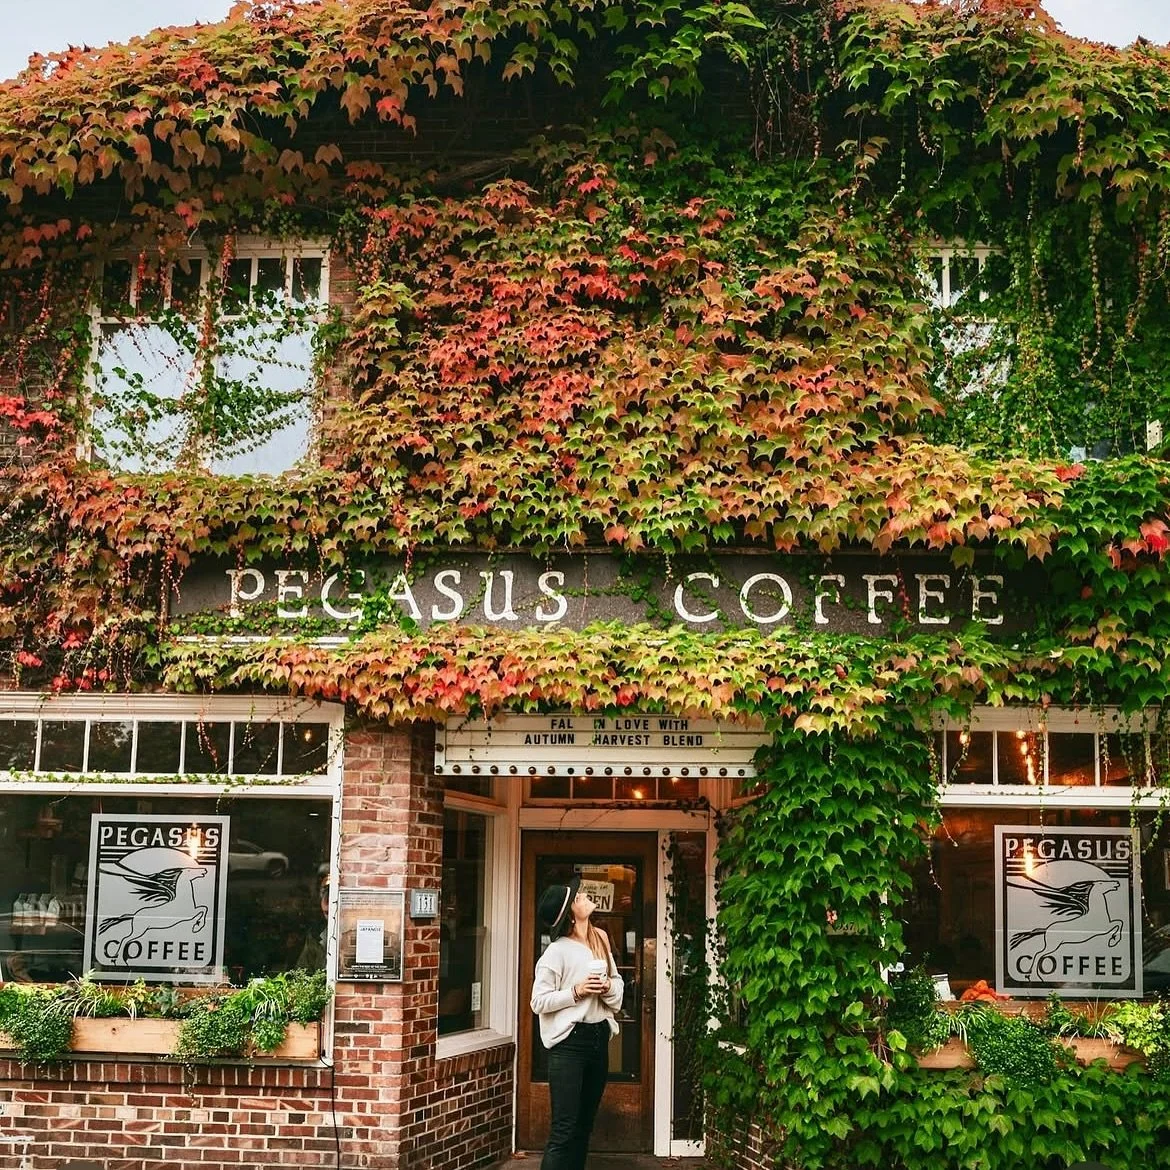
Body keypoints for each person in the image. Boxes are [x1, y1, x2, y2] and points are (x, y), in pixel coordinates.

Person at [530, 877, 624, 1170]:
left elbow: (618, 986)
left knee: (584, 1126)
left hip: (598, 1038)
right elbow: (538, 1002)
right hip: (568, 1044)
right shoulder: (556, 952)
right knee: (564, 1129)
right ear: (571, 914)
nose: (583, 896)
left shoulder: (600, 938)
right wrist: (576, 992)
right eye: (577, 897)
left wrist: (607, 987)